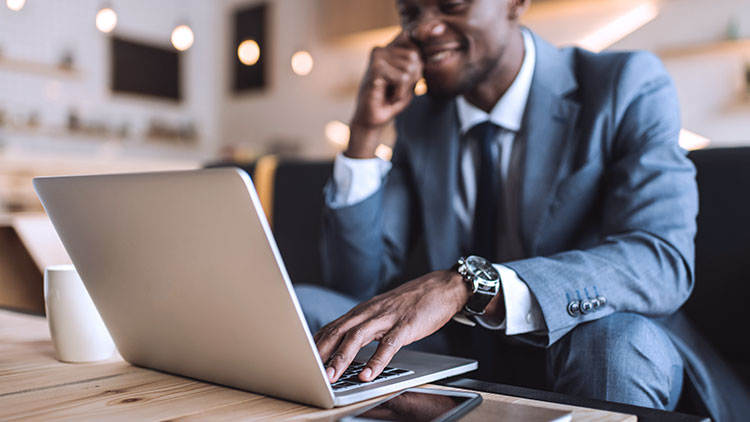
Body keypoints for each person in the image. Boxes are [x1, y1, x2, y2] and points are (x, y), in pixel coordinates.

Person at [295, 0, 750, 420]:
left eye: (451, 4)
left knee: (610, 341)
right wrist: (364, 134)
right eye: (410, 11)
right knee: (309, 310)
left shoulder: (626, 83)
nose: (425, 28)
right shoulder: (422, 119)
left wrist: (469, 285)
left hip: (595, 348)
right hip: (468, 348)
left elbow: (660, 261)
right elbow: (354, 283)